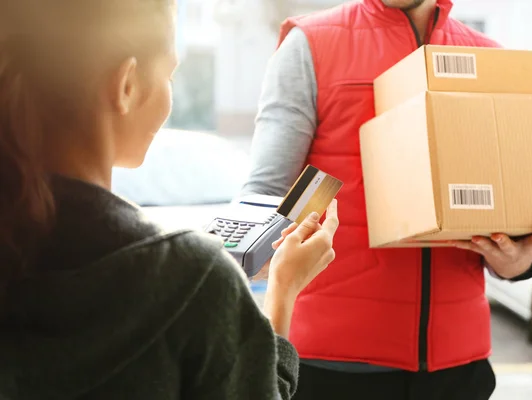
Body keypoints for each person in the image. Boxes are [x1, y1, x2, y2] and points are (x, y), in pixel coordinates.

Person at [240, 0, 532, 399]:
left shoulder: (489, 58)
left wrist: (515, 262)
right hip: (332, 367)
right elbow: (263, 196)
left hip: (458, 370)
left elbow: (508, 205)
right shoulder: (310, 44)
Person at [0, 1, 339, 399]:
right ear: (126, 86)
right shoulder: (191, 278)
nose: (170, 95)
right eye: (171, 76)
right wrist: (284, 289)